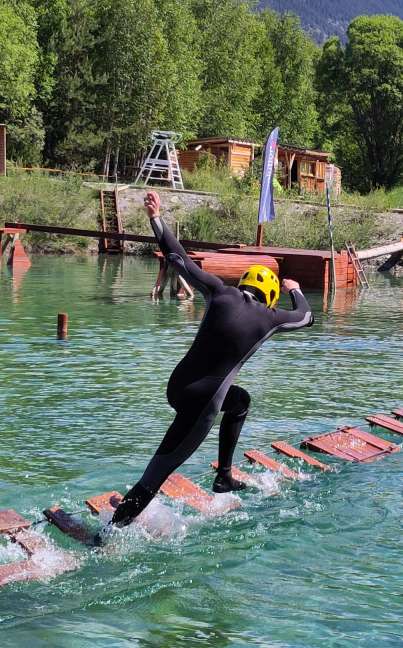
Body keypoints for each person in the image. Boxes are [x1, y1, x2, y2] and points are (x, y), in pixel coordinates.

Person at [107, 189, 314, 528]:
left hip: (177, 386)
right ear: (270, 295)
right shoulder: (270, 317)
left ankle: (224, 476)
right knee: (154, 477)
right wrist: (295, 289)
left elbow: (177, 259)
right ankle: (107, 539)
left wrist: (155, 217)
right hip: (202, 405)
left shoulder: (219, 291)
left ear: (243, 282)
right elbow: (306, 317)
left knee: (240, 400)